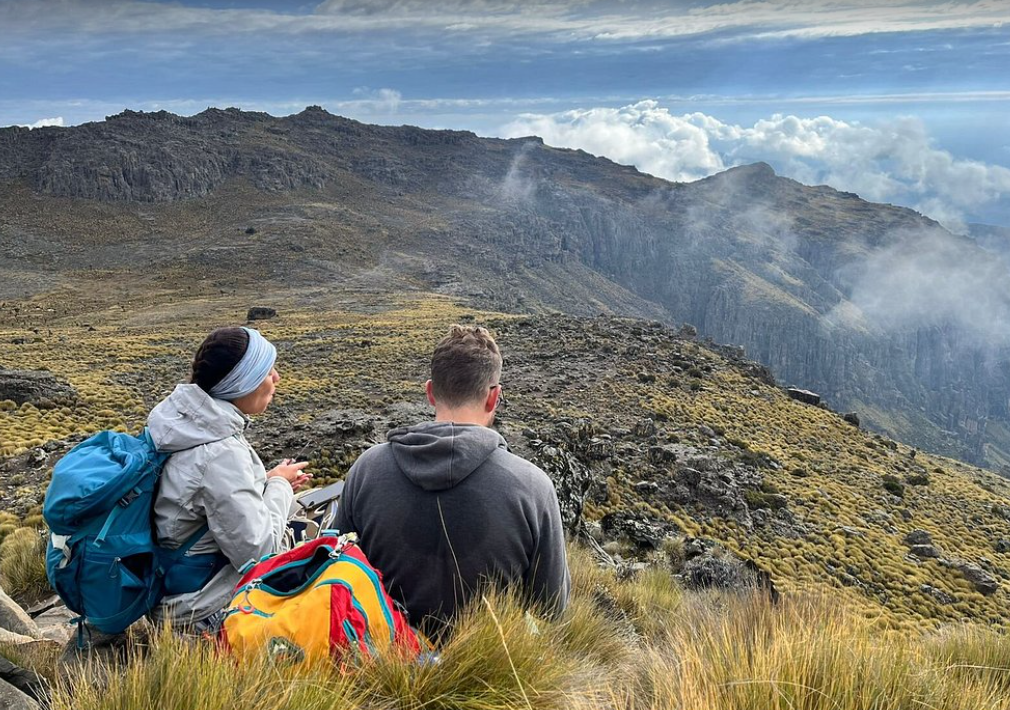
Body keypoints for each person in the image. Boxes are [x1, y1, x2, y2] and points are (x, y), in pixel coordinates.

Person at [333, 325, 570, 638]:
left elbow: (333, 567)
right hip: (491, 679)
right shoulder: (533, 486)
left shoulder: (367, 469)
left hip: (376, 671)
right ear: (494, 397)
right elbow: (551, 608)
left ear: (431, 392)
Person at [147, 326, 311, 631]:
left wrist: (266, 479)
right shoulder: (219, 453)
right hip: (200, 612)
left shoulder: (185, 425)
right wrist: (279, 487)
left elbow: (204, 494)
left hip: (173, 594)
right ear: (242, 384)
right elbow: (260, 554)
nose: (277, 378)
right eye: (266, 370)